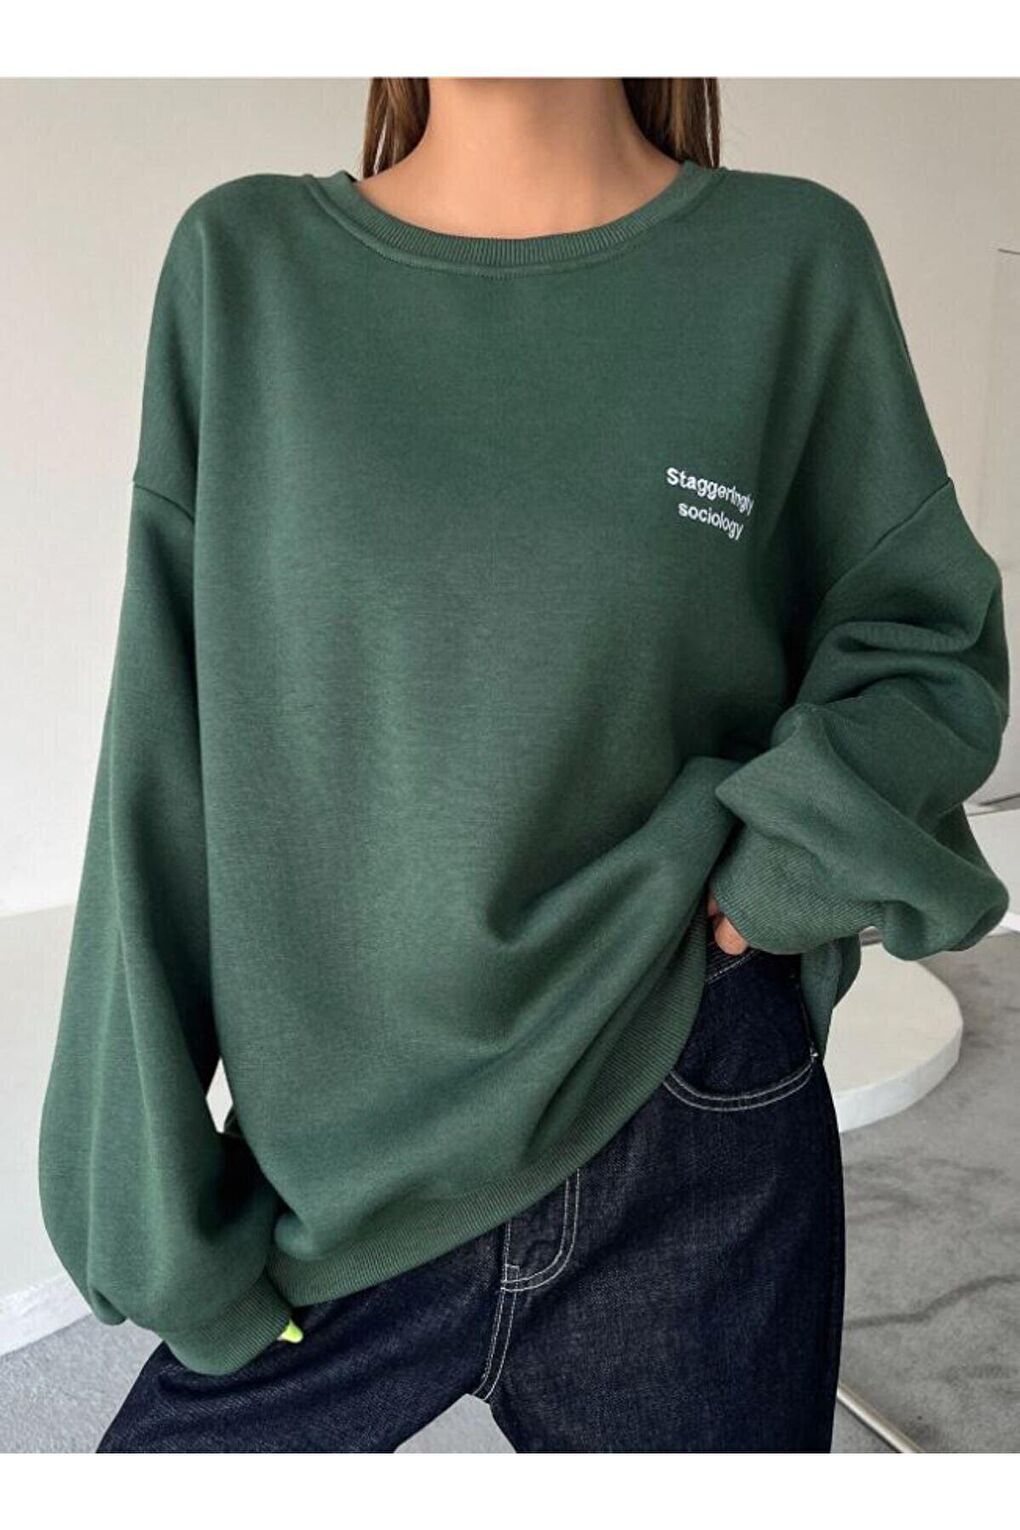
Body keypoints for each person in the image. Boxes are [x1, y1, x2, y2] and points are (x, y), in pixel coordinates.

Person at [38, 77, 1009, 1453]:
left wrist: (779, 872)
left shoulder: (791, 264)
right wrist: (148, 1204)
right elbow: (163, 752)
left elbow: (924, 640)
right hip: (341, 1165)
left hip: (684, 1103)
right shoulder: (244, 269)